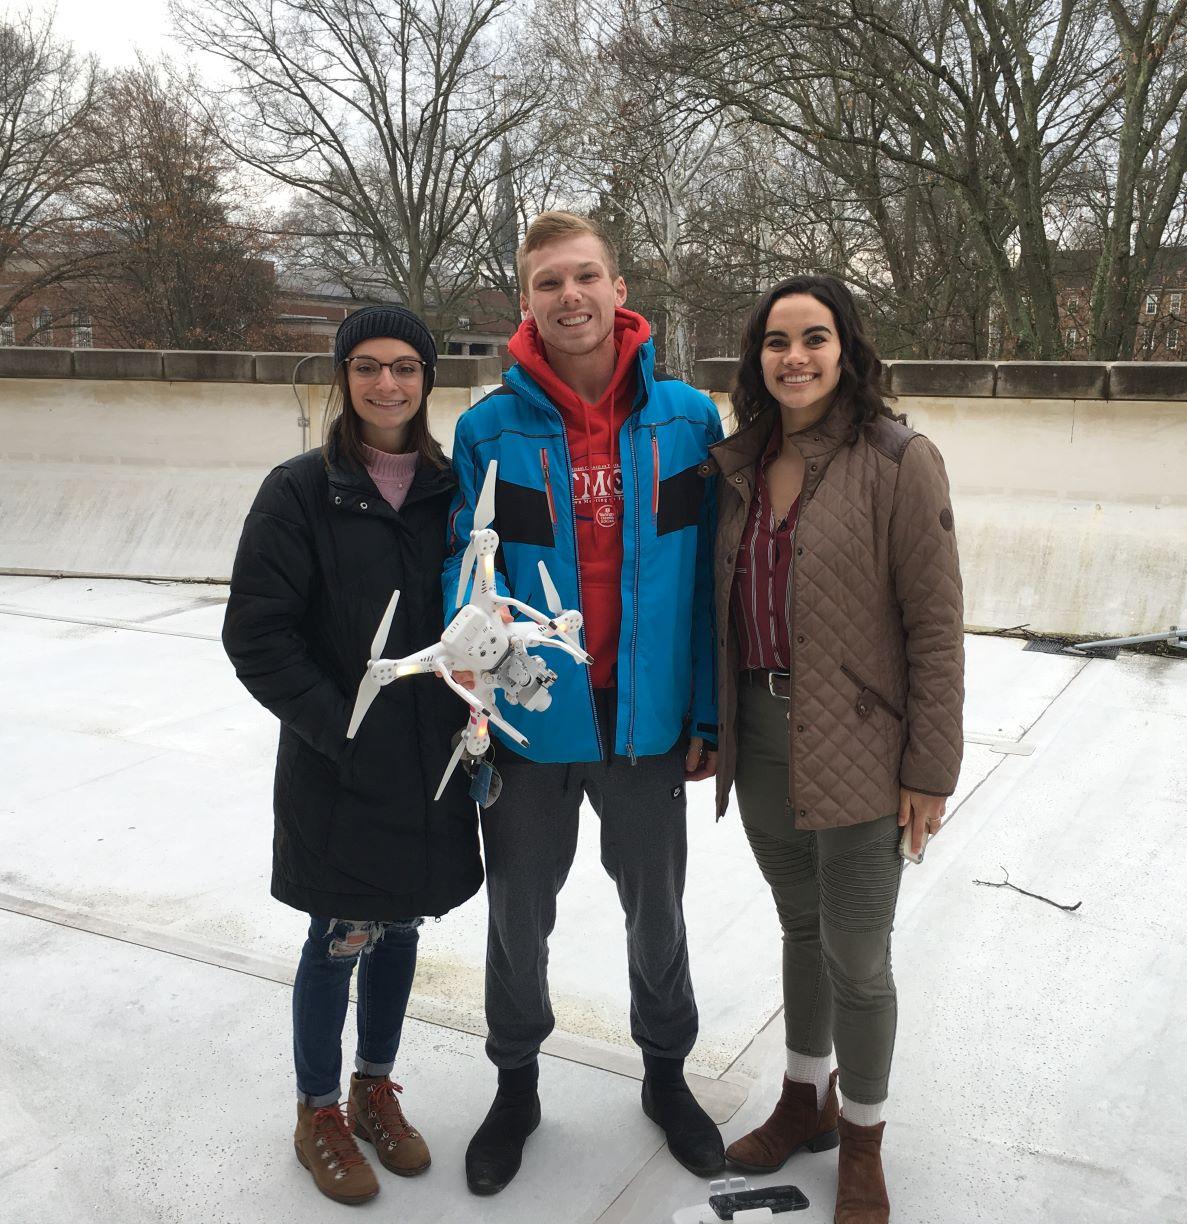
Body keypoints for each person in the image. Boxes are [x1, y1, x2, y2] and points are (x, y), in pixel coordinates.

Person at [442, 211, 725, 1194]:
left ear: (619, 288)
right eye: (549, 282)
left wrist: (707, 713)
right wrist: (473, 651)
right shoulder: (488, 430)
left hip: (647, 724)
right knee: (519, 910)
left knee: (659, 906)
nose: (570, 296)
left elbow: (708, 585)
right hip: (532, 725)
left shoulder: (688, 419)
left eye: (586, 276)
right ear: (526, 300)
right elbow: (464, 570)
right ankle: (515, 1084)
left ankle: (666, 1074)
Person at [709, 275, 965, 1224]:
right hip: (764, 738)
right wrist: (713, 729)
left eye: (815, 339)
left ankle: (861, 1138)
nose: (796, 358)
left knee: (858, 953)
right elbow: (720, 613)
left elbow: (935, 626)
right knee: (799, 929)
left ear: (847, 350)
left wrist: (929, 769)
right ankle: (800, 1100)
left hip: (861, 745)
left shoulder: (899, 461)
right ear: (757, 359)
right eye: (777, 343)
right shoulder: (737, 464)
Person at [222, 305, 484, 1207]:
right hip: (341, 765)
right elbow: (257, 635)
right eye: (367, 368)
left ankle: (376, 1085)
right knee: (340, 936)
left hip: (435, 760)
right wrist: (341, 725)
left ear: (427, 378)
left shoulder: (457, 492)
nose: (386, 385)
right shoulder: (300, 491)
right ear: (343, 377)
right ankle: (318, 1110)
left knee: (403, 924)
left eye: (404, 367)